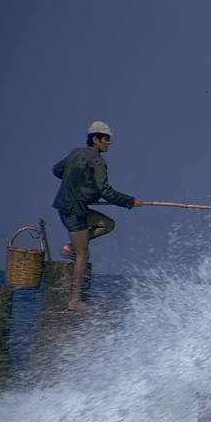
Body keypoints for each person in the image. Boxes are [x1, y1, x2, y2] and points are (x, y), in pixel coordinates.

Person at [52, 121, 141, 311]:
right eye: (106, 140)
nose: (109, 143)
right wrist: (130, 201)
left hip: (70, 206)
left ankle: (70, 247)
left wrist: (78, 184)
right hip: (74, 210)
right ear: (95, 139)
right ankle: (74, 300)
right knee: (83, 254)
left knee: (108, 224)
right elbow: (105, 191)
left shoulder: (75, 153)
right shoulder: (98, 161)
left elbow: (57, 170)